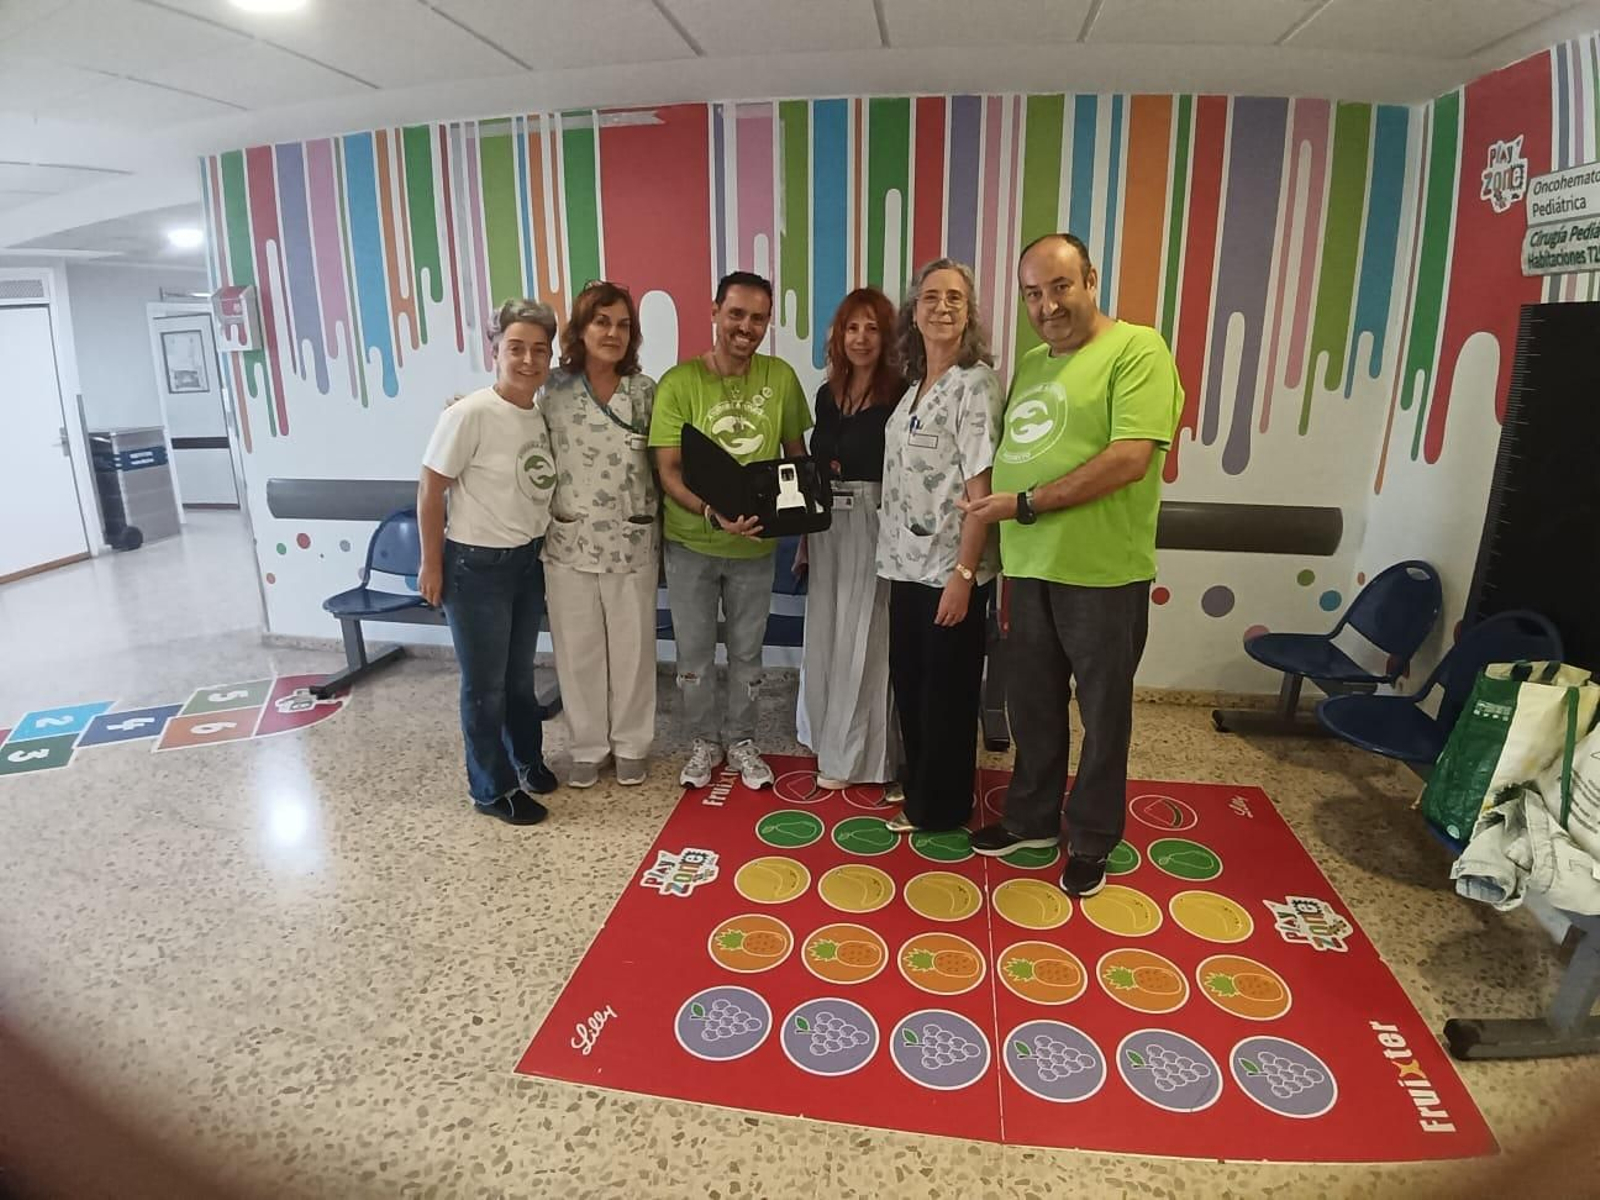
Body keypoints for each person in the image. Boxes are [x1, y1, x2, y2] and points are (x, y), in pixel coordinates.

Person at [963, 233, 1183, 897]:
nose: (1047, 305)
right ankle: (1031, 818)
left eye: (1060, 286)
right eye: (1033, 293)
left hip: (1103, 572)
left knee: (1103, 713)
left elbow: (1130, 458)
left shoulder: (1138, 349)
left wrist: (1027, 502)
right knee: (1031, 704)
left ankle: (1091, 836)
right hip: (1029, 566)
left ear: (1090, 279)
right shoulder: (1033, 363)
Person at [648, 271, 813, 790]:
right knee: (694, 654)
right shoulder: (678, 383)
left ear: (768, 323)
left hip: (756, 547)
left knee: (746, 653)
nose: (746, 326)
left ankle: (741, 739)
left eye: (758, 318)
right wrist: (711, 512)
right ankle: (703, 741)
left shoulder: (781, 377)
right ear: (715, 312)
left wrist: (801, 523)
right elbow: (667, 470)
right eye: (736, 314)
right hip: (691, 543)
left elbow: (796, 460)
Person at [417, 299, 561, 826]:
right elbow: (430, 490)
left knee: (519, 680)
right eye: (516, 348)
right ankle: (491, 788)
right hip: (475, 569)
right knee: (485, 687)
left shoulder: (538, 415)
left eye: (539, 350)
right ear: (494, 350)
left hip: (526, 563)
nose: (528, 360)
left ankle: (527, 760)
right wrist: (431, 564)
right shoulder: (468, 414)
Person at [876, 259, 1004, 835]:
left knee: (946, 692)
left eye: (955, 298)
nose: (942, 307)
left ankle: (944, 805)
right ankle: (920, 783)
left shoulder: (974, 386)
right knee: (911, 681)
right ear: (914, 311)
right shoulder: (914, 387)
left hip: (950, 570)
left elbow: (982, 494)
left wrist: (964, 574)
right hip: (905, 564)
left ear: (969, 313)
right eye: (931, 297)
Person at [539, 281, 659, 789]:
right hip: (569, 540)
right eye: (602, 322)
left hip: (633, 539)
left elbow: (663, 463)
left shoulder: (645, 391)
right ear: (581, 329)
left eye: (623, 324)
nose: (613, 333)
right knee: (577, 650)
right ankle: (587, 747)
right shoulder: (553, 390)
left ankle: (632, 744)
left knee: (634, 651)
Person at [795, 287, 905, 791]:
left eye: (872, 328)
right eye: (851, 328)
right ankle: (822, 733)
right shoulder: (827, 393)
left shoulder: (900, 395)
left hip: (873, 518)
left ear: (888, 337)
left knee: (865, 632)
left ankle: (856, 756)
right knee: (826, 627)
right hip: (826, 522)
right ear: (838, 336)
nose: (861, 338)